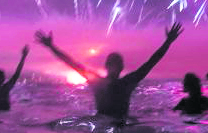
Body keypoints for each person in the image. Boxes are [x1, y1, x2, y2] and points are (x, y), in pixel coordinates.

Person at [34, 23, 183, 122]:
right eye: (113, 64)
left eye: (116, 64)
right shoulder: (112, 82)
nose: (114, 67)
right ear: (110, 66)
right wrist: (51, 47)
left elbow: (151, 62)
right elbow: (71, 63)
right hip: (111, 125)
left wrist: (168, 42)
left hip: (110, 124)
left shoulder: (120, 82)